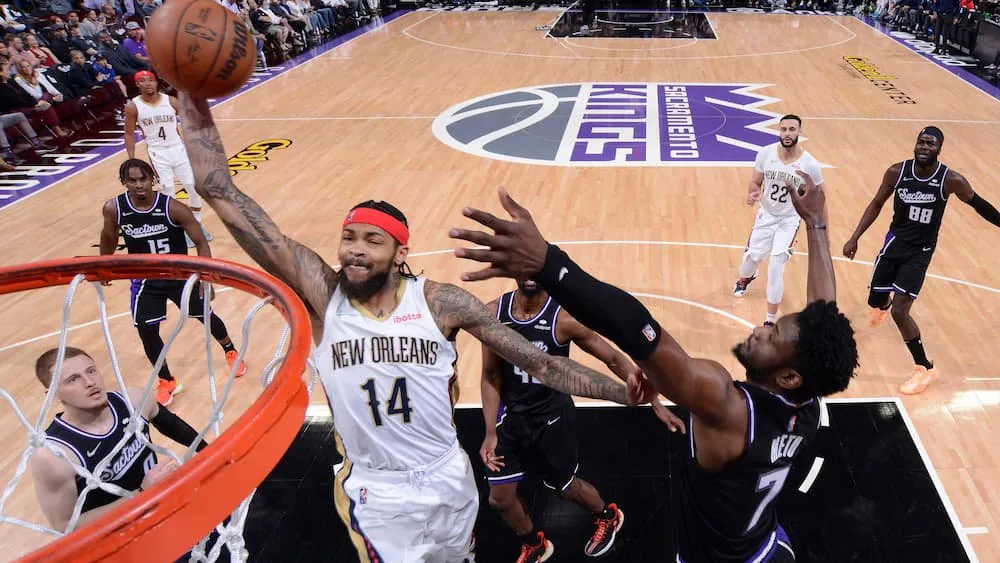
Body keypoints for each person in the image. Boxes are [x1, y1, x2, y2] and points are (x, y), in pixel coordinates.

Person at [175, 92, 647, 562]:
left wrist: (625, 393)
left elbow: (542, 365)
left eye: (372, 240)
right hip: (376, 491)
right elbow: (221, 192)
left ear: (401, 252)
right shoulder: (325, 296)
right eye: (348, 237)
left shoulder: (442, 303)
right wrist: (194, 108)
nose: (356, 249)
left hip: (447, 475)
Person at [449, 178, 859, 562]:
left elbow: (638, 332)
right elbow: (823, 315)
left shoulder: (728, 407)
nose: (760, 329)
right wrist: (816, 224)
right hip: (765, 545)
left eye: (772, 336)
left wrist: (549, 264)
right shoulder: (808, 399)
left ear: (788, 376)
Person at [481, 279, 686, 562]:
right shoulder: (493, 314)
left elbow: (612, 357)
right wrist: (490, 432)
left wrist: (653, 401)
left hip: (551, 419)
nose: (528, 275)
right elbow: (490, 373)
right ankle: (534, 543)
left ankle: (607, 514)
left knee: (565, 488)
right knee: (500, 499)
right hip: (510, 420)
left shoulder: (563, 318)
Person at [843, 126, 1000, 394]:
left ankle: (924, 368)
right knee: (875, 300)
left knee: (900, 312)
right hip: (894, 244)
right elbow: (877, 203)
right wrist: (855, 237)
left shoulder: (951, 180)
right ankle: (882, 303)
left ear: (939, 148)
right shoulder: (897, 172)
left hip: (920, 251)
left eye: (930, 144)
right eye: (921, 142)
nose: (924, 147)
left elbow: (979, 204)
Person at [99, 158, 247, 406]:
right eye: (132, 180)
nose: (138, 185)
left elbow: (200, 242)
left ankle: (230, 350)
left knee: (205, 315)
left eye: (143, 179)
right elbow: (108, 236)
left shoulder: (174, 208)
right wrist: (103, 264)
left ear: (152, 179)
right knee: (146, 331)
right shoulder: (114, 209)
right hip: (146, 280)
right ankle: (166, 380)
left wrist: (206, 278)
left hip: (180, 276)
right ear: (124, 182)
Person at [30, 346, 207, 532]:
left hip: (165, 508)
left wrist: (206, 450)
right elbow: (65, 526)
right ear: (52, 395)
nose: (89, 382)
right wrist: (141, 494)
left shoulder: (132, 399)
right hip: (120, 536)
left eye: (91, 371)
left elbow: (171, 424)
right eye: (73, 379)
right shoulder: (53, 455)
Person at [733, 115, 824, 327]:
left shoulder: (809, 164)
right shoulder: (766, 153)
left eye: (792, 129)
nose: (787, 133)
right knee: (750, 261)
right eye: (784, 129)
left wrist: (815, 219)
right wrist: (753, 193)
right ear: (779, 131)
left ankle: (770, 320)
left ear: (799, 132)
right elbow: (755, 182)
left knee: (776, 267)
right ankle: (747, 277)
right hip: (766, 215)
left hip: (789, 220)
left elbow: (819, 194)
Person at [124, 70, 211, 247]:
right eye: (143, 81)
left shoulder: (170, 101)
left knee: (193, 187)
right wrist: (131, 159)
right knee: (168, 191)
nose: (148, 83)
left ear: (156, 82)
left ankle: (196, 224)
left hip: (178, 148)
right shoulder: (133, 107)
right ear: (137, 85)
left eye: (151, 80)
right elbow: (129, 133)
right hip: (158, 153)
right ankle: (176, 228)